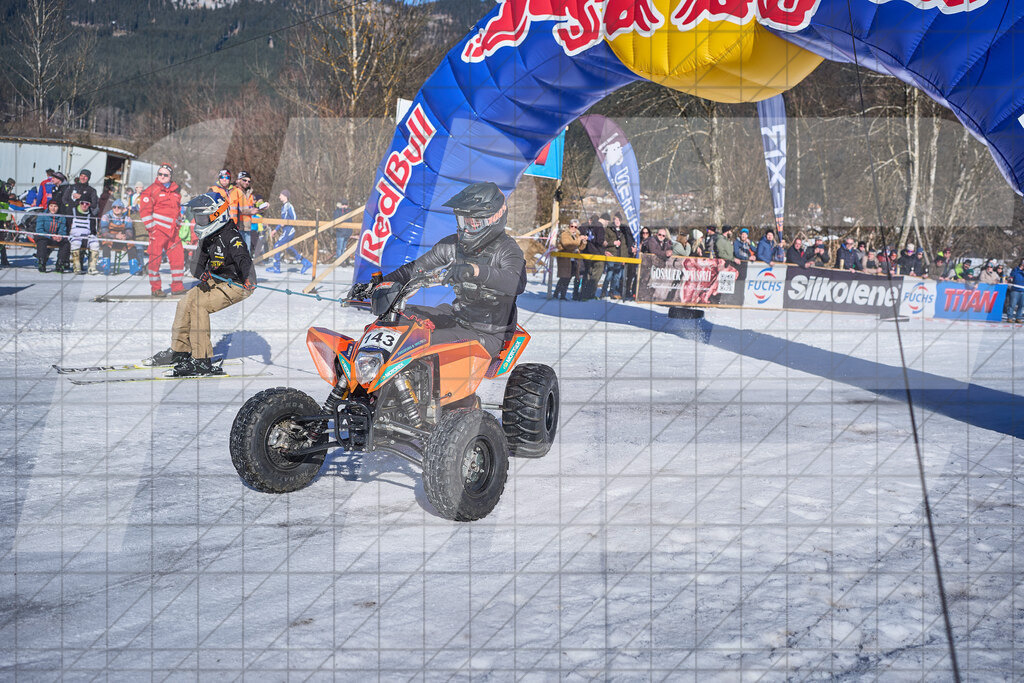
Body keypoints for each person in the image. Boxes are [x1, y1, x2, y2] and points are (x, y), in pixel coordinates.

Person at [349, 181, 526, 356]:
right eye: (464, 222)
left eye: (475, 223)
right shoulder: (452, 245)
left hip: (489, 333)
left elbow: (515, 282)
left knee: (421, 341)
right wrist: (380, 284)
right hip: (457, 317)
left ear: (495, 218)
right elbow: (415, 269)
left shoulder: (507, 249)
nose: (466, 229)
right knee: (394, 321)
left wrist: (475, 271)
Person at [144, 193, 256, 376]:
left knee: (199, 307)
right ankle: (179, 351)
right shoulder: (208, 235)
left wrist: (248, 277)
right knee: (185, 302)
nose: (200, 221)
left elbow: (243, 258)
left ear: (217, 215)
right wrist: (201, 273)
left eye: (203, 217)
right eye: (198, 217)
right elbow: (196, 266)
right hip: (216, 280)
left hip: (238, 283)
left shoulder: (230, 235)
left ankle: (202, 359)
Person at [139, 164, 185, 296]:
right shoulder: (151, 190)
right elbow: (145, 212)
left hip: (173, 233)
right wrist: (152, 229)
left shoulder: (176, 192)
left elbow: (177, 211)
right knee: (155, 260)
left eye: (165, 175)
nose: (162, 177)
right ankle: (156, 288)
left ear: (170, 177)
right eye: (160, 174)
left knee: (178, 258)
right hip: (158, 231)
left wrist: (178, 223)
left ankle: (177, 287)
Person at [267, 189, 312, 274]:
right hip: (286, 230)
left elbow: (294, 218)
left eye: (281, 195)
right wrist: (276, 230)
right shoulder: (284, 206)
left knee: (277, 246)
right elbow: (282, 221)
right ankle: (305, 262)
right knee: (288, 248)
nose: (279, 197)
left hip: (289, 231)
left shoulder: (289, 206)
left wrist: (286, 222)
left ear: (285, 196)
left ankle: (276, 267)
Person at [26, 197, 70, 272]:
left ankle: (60, 262)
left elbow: (63, 230)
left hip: (55, 237)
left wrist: (60, 236)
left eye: (55, 206)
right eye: (51, 206)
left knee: (66, 243)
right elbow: (39, 230)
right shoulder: (42, 215)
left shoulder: (61, 217)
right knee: (42, 241)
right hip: (44, 236)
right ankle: (42, 262)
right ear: (48, 206)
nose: (53, 208)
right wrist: (50, 236)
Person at [98, 199, 142, 275]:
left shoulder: (127, 218)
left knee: (131, 243)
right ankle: (106, 265)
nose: (116, 209)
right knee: (107, 242)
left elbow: (130, 232)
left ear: (123, 209)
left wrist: (125, 236)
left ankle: (133, 266)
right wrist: (115, 236)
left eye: (119, 207)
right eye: (114, 207)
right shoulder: (106, 217)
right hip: (109, 239)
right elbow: (104, 232)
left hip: (121, 240)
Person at [67, 198, 101, 274]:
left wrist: (93, 235)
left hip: (86, 236)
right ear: (80, 203)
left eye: (87, 204)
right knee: (76, 243)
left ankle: (92, 267)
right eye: (83, 203)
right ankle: (77, 267)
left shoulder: (90, 214)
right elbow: (67, 225)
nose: (84, 205)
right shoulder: (73, 212)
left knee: (95, 244)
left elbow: (93, 229)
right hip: (75, 236)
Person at [554, 218, 586, 300]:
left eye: (575, 227)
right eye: (572, 226)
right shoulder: (565, 234)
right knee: (564, 277)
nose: (573, 229)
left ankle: (562, 295)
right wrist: (578, 240)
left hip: (574, 260)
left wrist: (584, 242)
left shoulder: (577, 235)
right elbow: (568, 245)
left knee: (569, 277)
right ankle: (558, 294)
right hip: (565, 259)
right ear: (569, 226)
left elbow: (580, 247)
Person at [227, 171, 258, 252]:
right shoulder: (235, 191)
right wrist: (252, 211)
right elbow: (243, 209)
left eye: (249, 181)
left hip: (246, 226)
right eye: (244, 180)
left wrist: (260, 208)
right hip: (236, 225)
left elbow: (250, 206)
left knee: (245, 251)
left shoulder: (248, 193)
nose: (247, 182)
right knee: (239, 251)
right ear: (238, 180)